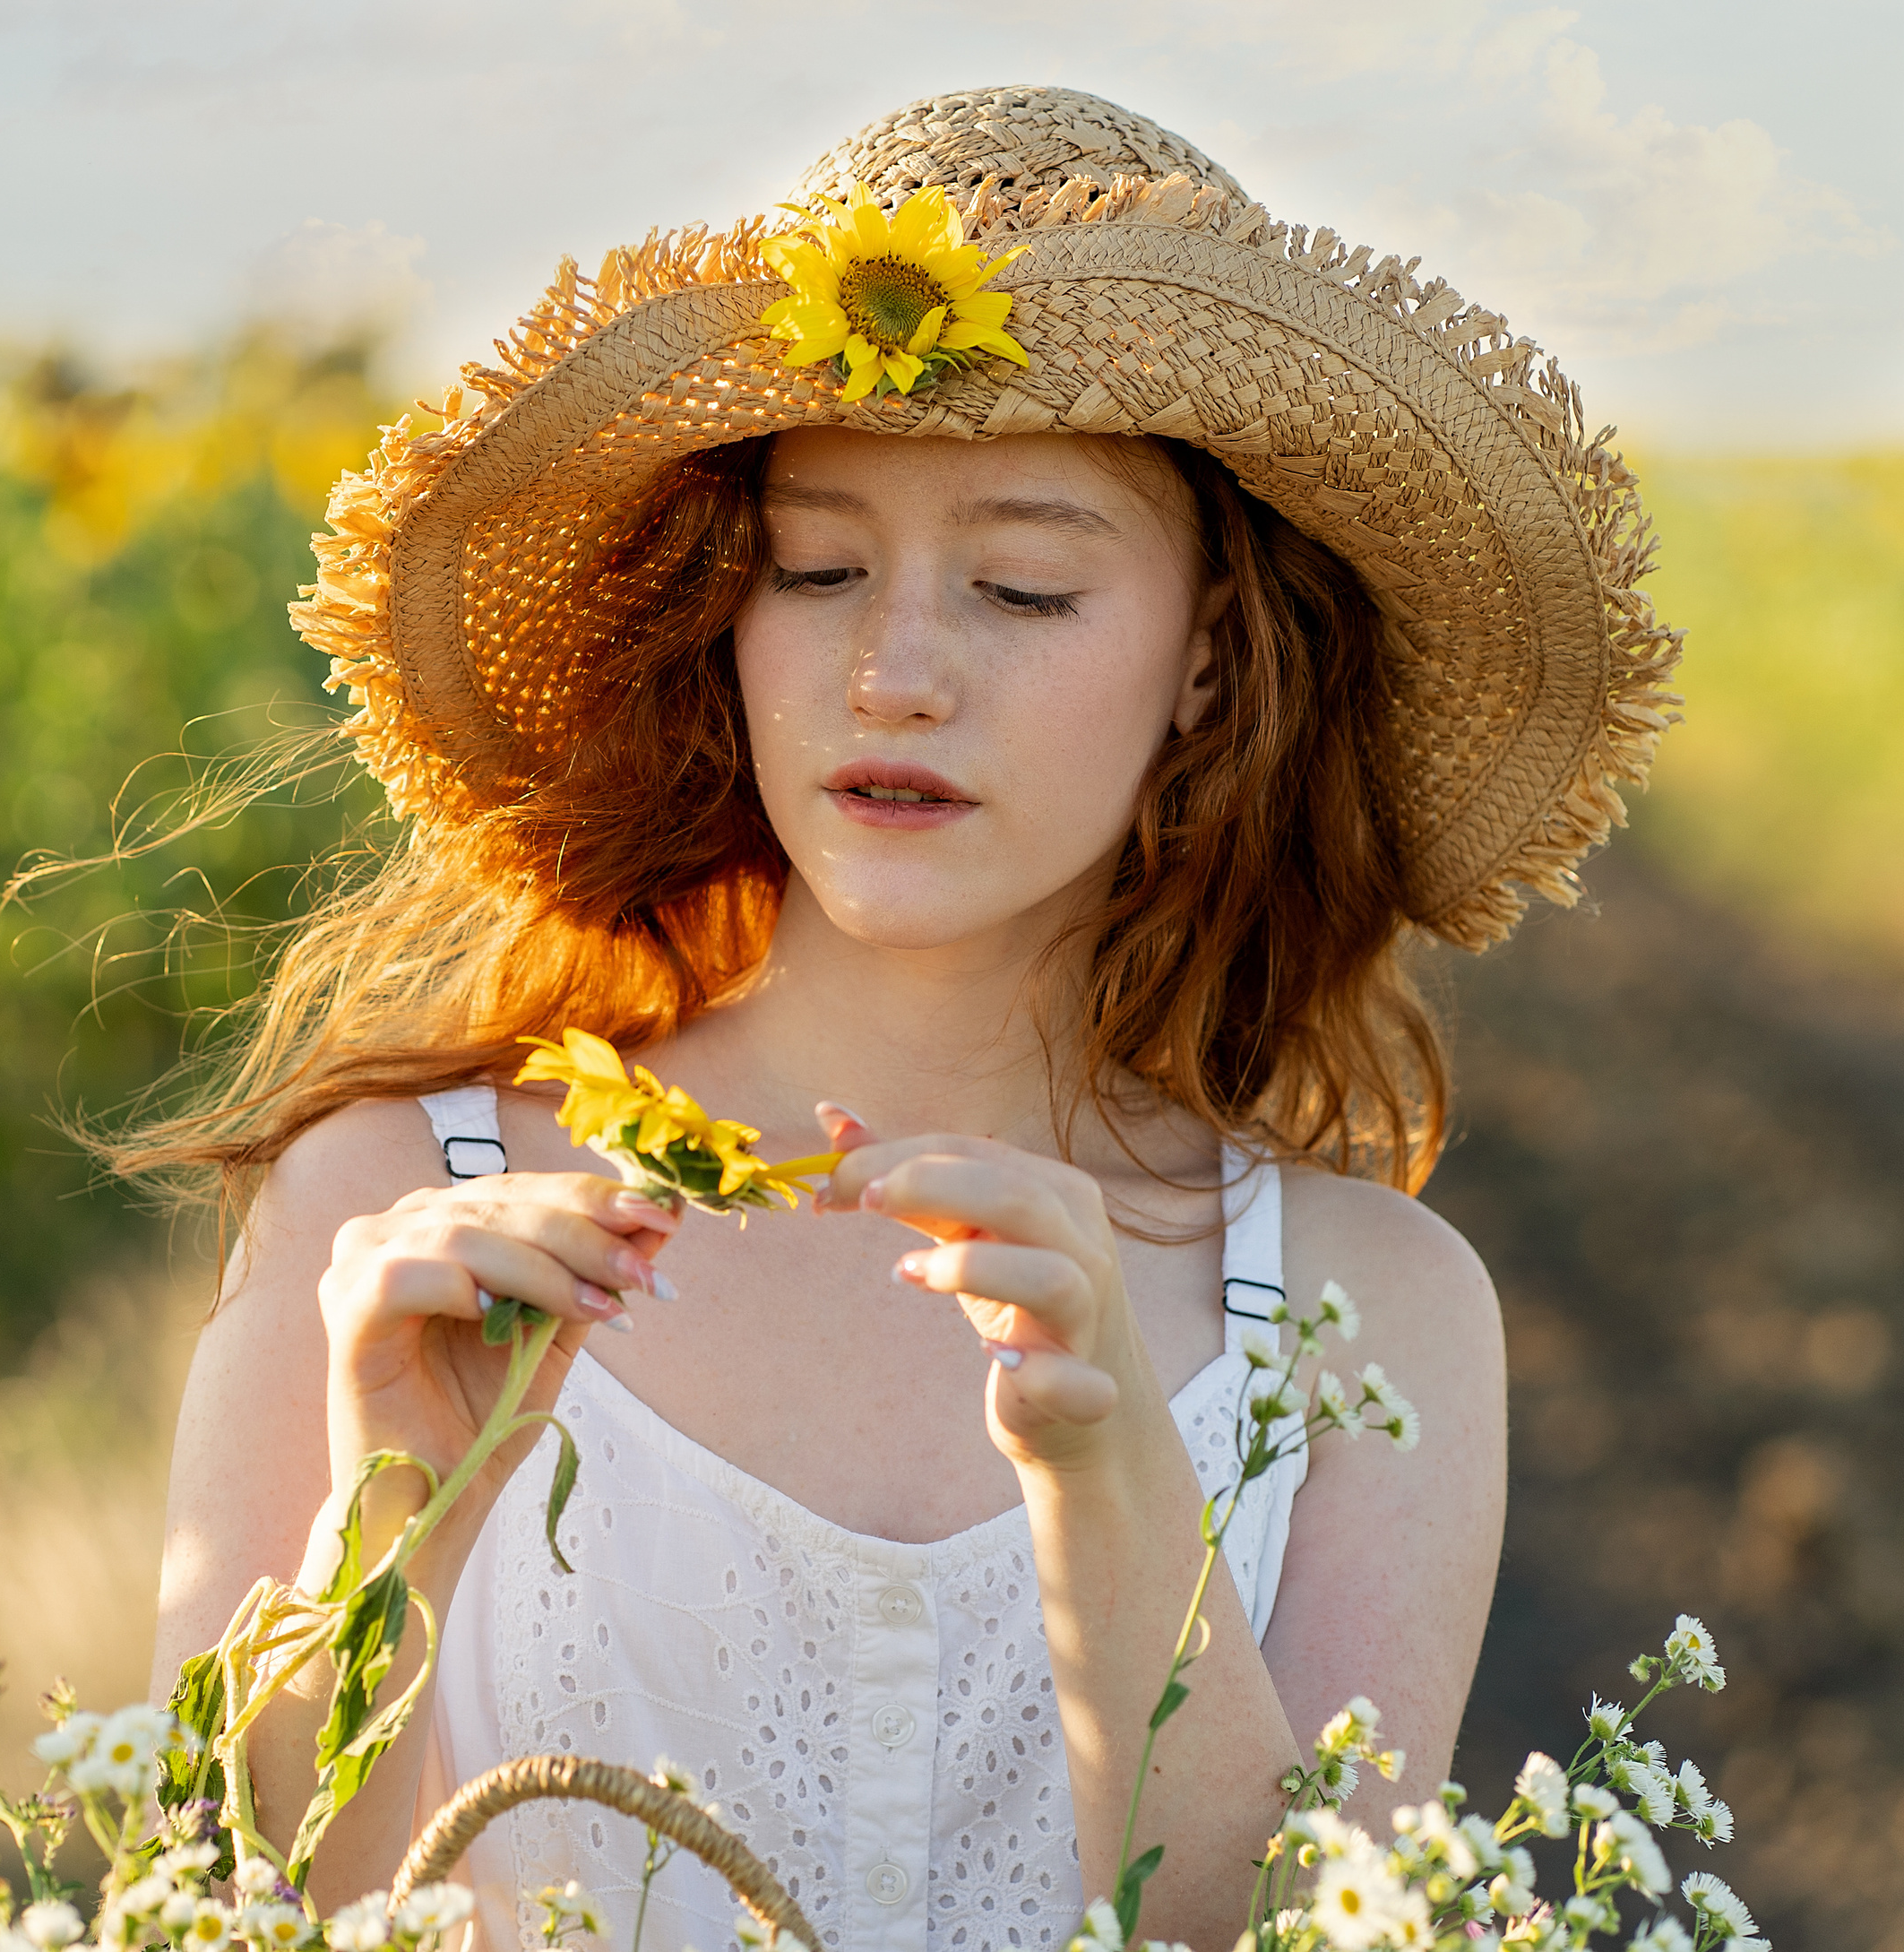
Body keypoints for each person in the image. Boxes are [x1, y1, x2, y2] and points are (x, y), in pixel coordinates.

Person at [141, 86, 1681, 1952]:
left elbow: (1300, 1934)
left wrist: (1115, 1482)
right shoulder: (390, 1213)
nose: (893, 671)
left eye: (1022, 585)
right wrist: (392, 1513)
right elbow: (221, 1912)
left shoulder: (1367, 1310)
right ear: (725, 611)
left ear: (1207, 653)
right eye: (815, 568)